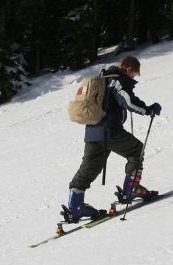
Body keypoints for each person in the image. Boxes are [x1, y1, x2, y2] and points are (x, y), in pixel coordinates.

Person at [67, 56, 162, 219]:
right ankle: (132, 189)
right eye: (134, 75)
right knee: (136, 150)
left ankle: (75, 205)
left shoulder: (103, 79)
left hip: (92, 132)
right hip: (110, 130)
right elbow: (128, 101)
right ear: (129, 70)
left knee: (89, 167)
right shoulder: (117, 81)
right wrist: (147, 110)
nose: (133, 79)